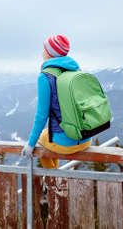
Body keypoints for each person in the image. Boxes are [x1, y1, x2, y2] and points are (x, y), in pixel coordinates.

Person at [21, 35, 92, 168]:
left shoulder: (45, 76)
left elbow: (42, 115)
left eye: (44, 49)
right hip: (86, 139)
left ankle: (53, 179)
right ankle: (55, 178)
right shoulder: (76, 71)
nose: (42, 51)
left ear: (49, 53)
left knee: (42, 138)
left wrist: (30, 144)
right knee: (49, 133)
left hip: (64, 144)